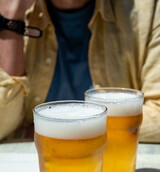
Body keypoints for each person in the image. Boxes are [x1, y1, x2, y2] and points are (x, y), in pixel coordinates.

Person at [0, 0, 160, 142]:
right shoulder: (9, 10)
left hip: (116, 170)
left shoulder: (147, 10)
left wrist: (49, 131)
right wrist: (10, 21)